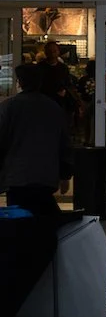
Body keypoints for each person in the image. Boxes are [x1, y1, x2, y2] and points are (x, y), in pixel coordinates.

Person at [0, 64, 74, 222]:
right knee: (45, 221)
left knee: (19, 223)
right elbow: (64, 144)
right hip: (46, 176)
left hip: (16, 177)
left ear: (19, 82)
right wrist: (65, 174)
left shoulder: (8, 107)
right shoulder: (53, 107)